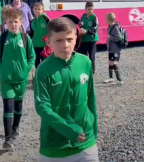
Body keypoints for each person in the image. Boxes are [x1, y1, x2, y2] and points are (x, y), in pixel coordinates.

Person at [34, 17, 99, 162]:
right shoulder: (44, 69)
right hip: (55, 148)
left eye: (69, 39)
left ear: (76, 39)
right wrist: (67, 129)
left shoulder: (85, 62)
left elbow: (90, 97)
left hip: (86, 144)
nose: (65, 45)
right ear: (48, 42)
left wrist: (93, 128)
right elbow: (42, 107)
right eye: (58, 40)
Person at [0, 8, 36, 150]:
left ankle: (16, 128)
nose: (13, 24)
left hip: (21, 80)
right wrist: (2, 70)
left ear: (20, 22)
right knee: (8, 107)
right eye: (10, 22)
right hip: (7, 81)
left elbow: (32, 57)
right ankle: (7, 139)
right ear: (6, 23)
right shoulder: (2, 38)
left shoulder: (25, 37)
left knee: (18, 107)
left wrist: (26, 70)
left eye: (15, 22)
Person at [0, 5, 13, 87]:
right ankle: (0, 77)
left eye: (3, 13)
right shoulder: (4, 22)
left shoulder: (11, 22)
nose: (2, 15)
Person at [77, 1, 99, 74]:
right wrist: (80, 26)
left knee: (91, 57)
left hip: (91, 40)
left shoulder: (94, 17)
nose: (90, 11)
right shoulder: (83, 16)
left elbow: (95, 29)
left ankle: (92, 72)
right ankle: (84, 70)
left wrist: (86, 31)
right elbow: (79, 25)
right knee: (83, 56)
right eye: (89, 9)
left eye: (92, 9)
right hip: (83, 40)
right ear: (85, 9)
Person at [103, 12, 123, 84]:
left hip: (115, 49)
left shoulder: (115, 28)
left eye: (106, 19)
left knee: (113, 63)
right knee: (110, 63)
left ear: (109, 20)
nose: (105, 21)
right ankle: (110, 77)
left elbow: (119, 37)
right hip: (111, 49)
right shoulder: (110, 27)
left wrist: (110, 37)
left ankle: (119, 79)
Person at [31, 2, 50, 69]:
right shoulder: (33, 20)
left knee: (44, 61)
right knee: (36, 62)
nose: (37, 10)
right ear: (33, 9)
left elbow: (51, 29)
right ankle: (37, 75)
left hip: (44, 45)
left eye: (39, 9)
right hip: (35, 44)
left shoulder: (45, 18)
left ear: (42, 10)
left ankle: (45, 76)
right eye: (35, 9)